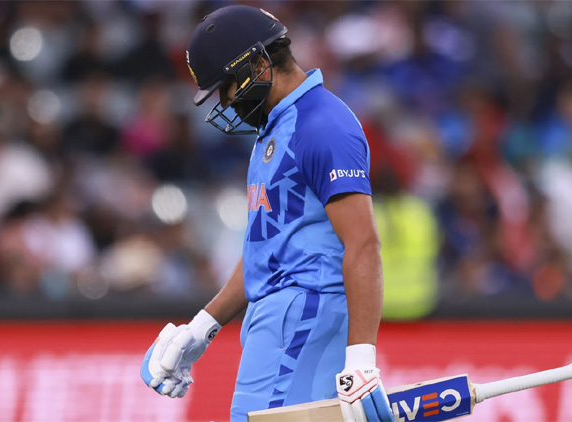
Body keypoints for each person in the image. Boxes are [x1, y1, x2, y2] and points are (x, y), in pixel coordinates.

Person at [140, 6, 394, 422]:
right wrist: (202, 328)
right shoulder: (276, 127)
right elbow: (266, 250)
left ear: (258, 63)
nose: (225, 101)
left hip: (305, 320)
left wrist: (361, 360)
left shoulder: (321, 125)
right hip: (280, 323)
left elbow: (363, 244)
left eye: (227, 86)